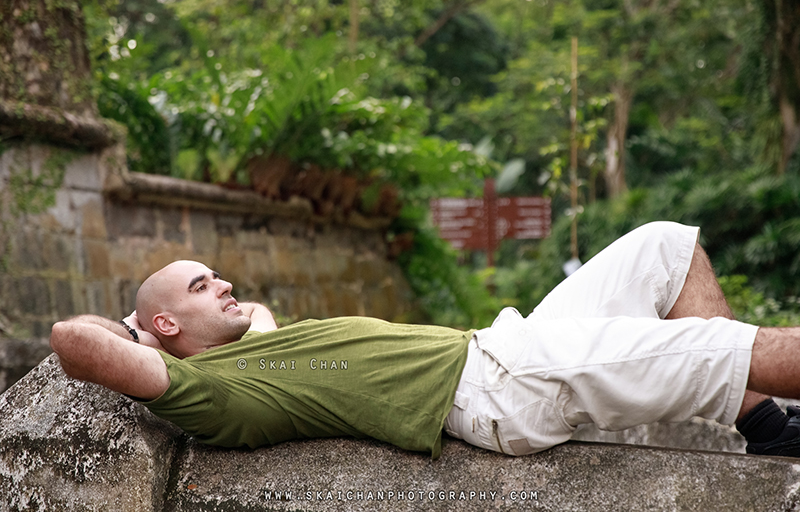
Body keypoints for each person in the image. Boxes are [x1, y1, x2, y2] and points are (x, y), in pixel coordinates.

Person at [50, 221, 800, 459]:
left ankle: (764, 425)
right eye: (199, 285)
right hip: (502, 387)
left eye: (219, 274)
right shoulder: (206, 390)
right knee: (729, 347)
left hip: (502, 346)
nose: (222, 282)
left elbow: (266, 315)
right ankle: (762, 401)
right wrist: (129, 329)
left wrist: (222, 316)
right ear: (164, 327)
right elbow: (70, 342)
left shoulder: (254, 346)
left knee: (665, 248)